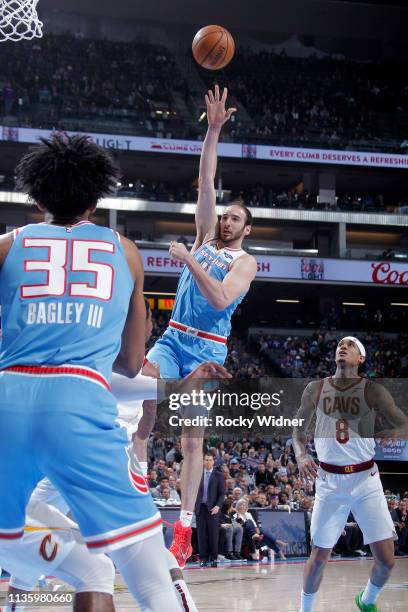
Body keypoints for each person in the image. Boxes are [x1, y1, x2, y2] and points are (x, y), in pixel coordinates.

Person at [0, 134, 181, 611]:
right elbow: (128, 362)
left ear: (36, 198)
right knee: (148, 574)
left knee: (80, 564)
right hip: (80, 401)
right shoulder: (125, 252)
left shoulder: (6, 246)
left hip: (8, 397)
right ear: (97, 198)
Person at [145, 84, 257, 567]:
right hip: (172, 338)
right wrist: (212, 130)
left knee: (192, 441)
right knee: (140, 402)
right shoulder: (206, 232)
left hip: (207, 351)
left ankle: (185, 528)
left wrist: (190, 260)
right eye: (226, 216)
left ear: (247, 229)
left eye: (235, 218)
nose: (227, 221)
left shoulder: (246, 262)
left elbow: (218, 298)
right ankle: (132, 482)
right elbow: (205, 178)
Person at [293, 336, 408, 612]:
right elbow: (298, 427)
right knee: (319, 557)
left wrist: (397, 432)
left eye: (350, 345)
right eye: (339, 345)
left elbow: (404, 424)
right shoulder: (316, 388)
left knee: (387, 561)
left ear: (361, 358)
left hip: (365, 479)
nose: (342, 347)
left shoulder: (374, 391)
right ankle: (304, 610)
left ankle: (366, 601)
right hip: (329, 482)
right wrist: (301, 454)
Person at [194, 453, 226, 567]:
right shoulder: (197, 474)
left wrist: (218, 506)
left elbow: (222, 493)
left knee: (213, 534)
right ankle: (203, 558)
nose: (207, 462)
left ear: (213, 461)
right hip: (200, 507)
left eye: (209, 460)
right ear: (203, 461)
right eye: (206, 460)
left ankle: (214, 558)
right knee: (201, 535)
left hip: (213, 508)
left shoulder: (219, 475)